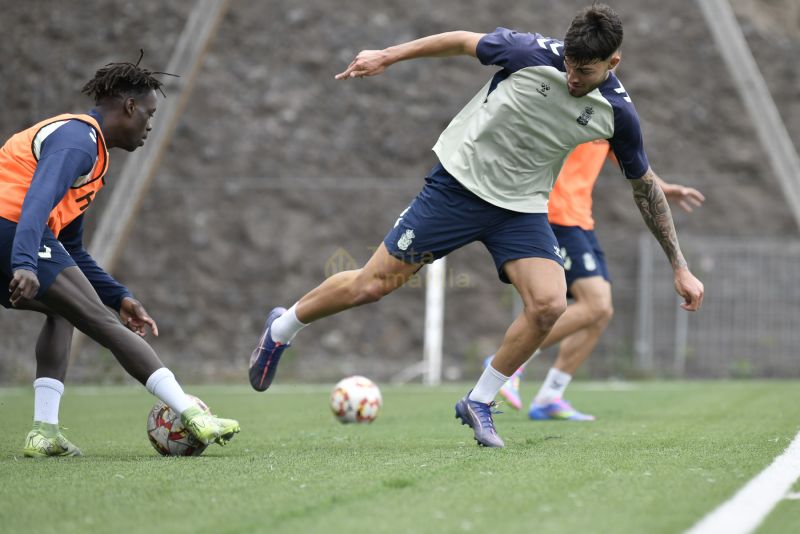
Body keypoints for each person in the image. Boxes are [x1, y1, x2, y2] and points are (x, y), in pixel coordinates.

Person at [248, 4, 703, 448]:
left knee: (549, 304)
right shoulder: (527, 52)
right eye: (568, 64)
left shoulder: (617, 113)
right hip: (456, 189)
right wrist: (387, 55)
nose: (571, 77)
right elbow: (463, 41)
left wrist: (679, 266)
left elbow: (644, 187)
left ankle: (479, 400)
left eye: (584, 71)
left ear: (612, 63)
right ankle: (281, 329)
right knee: (371, 285)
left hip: (520, 210)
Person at [0, 55, 240, 457]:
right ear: (129, 106)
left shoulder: (93, 157)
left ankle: (44, 432)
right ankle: (192, 414)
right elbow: (36, 202)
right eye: (149, 113)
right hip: (11, 228)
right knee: (101, 323)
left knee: (66, 312)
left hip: (16, 233)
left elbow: (71, 249)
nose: (150, 125)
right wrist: (24, 262)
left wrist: (119, 296)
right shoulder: (78, 139)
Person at [484, 140, 705, 421]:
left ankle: (550, 396)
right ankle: (509, 361)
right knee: (595, 304)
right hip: (554, 216)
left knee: (601, 312)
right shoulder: (571, 113)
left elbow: (634, 162)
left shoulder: (612, 122)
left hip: (581, 221)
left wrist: (664, 187)